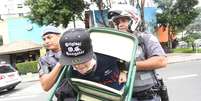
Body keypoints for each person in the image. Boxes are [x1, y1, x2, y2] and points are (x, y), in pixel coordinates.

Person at [108, 4, 167, 101]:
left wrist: (131, 65)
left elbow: (161, 61)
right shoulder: (115, 43)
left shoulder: (146, 38)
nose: (120, 25)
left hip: (147, 96)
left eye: (124, 20)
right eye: (117, 22)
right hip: (124, 95)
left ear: (134, 20)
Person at [59, 28, 125, 90]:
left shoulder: (108, 56)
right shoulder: (70, 71)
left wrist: (123, 71)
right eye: (72, 61)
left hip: (115, 88)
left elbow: (123, 60)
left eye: (82, 60)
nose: (78, 66)